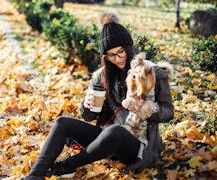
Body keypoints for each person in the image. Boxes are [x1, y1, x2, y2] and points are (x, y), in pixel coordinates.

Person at [22, 12, 174, 180]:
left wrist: (147, 109)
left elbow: (168, 111)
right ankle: (35, 174)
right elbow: (89, 117)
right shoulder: (102, 76)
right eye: (111, 55)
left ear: (128, 47)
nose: (117, 58)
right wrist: (86, 105)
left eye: (120, 52)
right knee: (62, 122)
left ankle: (66, 166)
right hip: (104, 141)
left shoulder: (151, 73)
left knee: (115, 131)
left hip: (137, 143)